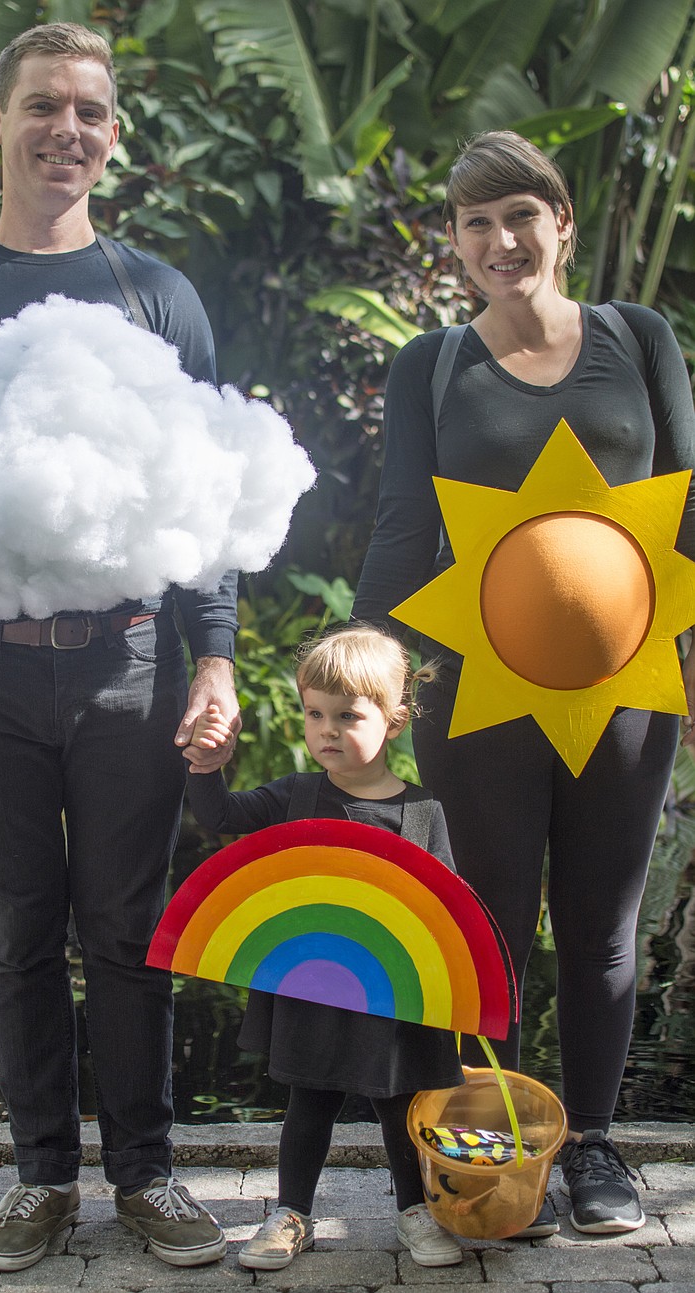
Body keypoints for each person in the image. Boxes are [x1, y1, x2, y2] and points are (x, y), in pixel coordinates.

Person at [0, 22, 241, 1274]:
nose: (63, 129)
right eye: (40, 105)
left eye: (86, 110)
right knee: (18, 933)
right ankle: (39, 1182)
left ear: (112, 136)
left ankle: (147, 1176)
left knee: (129, 930)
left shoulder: (156, 295)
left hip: (129, 661)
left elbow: (208, 502)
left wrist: (215, 659)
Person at [352, 129, 695, 1238]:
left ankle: (592, 1145)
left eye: (520, 216)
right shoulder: (432, 364)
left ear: (561, 225)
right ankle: (494, 1153)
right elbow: (402, 525)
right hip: (474, 700)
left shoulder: (639, 339)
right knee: (486, 927)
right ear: (456, 242)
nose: (501, 240)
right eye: (477, 223)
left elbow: (691, 504)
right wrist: (364, 667)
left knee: (601, 927)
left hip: (627, 693)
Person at [185, 624, 466, 1271]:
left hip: (394, 994)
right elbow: (221, 816)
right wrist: (206, 766)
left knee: (400, 1105)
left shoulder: (423, 813)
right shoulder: (297, 796)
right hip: (312, 984)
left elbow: (446, 913)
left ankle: (415, 1210)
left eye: (348, 716)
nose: (327, 730)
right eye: (315, 714)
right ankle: (292, 1213)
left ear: (394, 720)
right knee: (309, 1100)